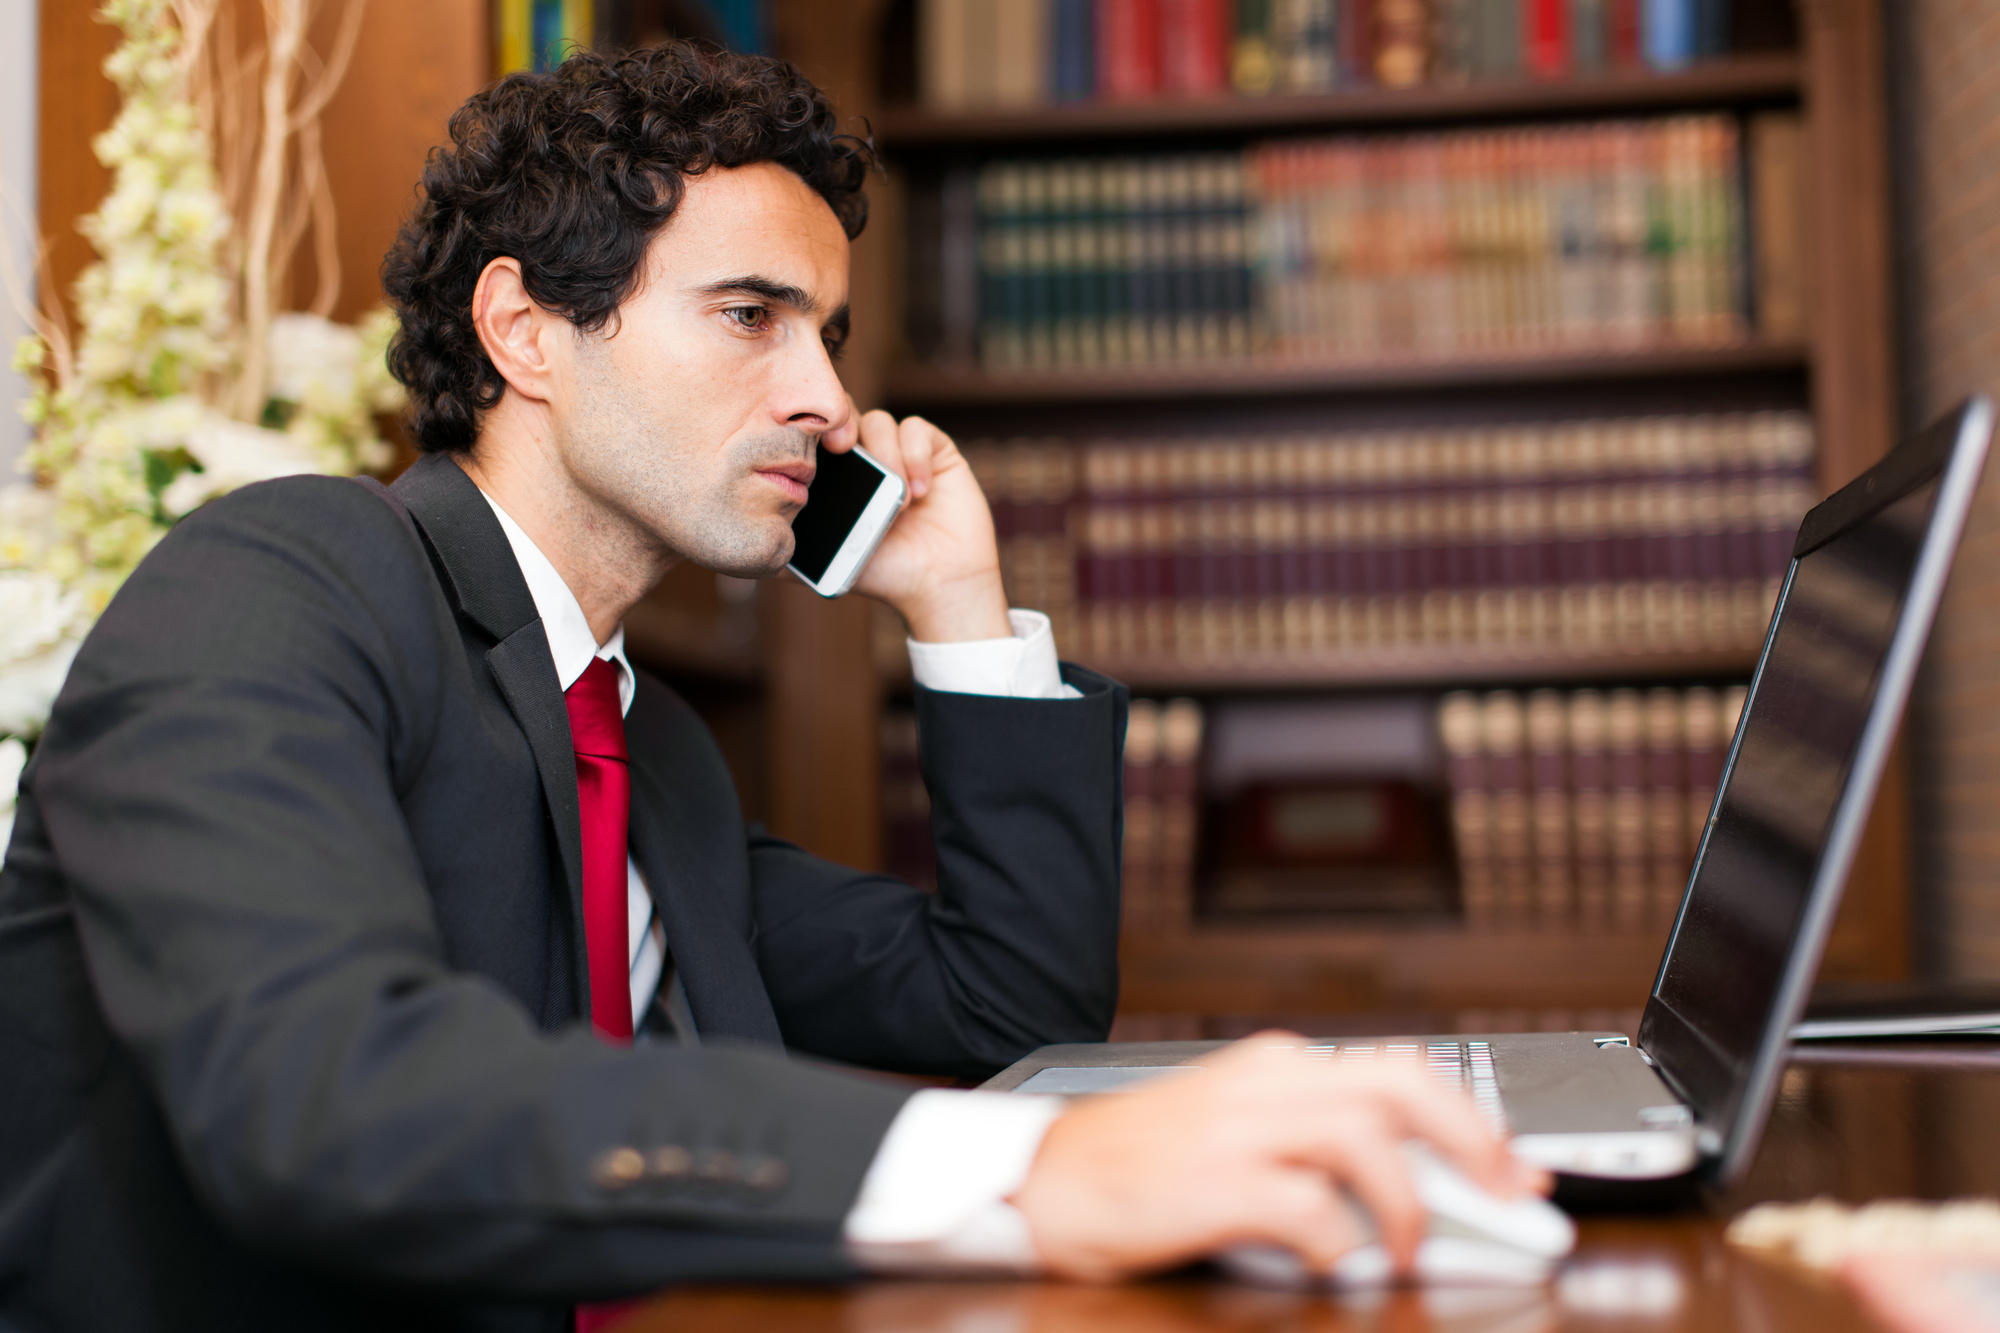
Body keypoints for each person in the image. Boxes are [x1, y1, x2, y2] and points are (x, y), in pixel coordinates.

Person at [0, 41, 1539, 1333]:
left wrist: (959, 607)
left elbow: (1004, 1000)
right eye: (751, 316)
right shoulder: (279, 581)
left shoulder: (644, 743)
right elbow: (327, 1093)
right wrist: (1028, 1177)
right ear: (526, 330)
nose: (826, 396)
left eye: (828, 332)